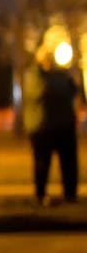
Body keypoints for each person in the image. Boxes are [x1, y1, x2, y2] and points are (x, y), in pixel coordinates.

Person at [24, 44, 84, 205]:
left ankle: (70, 194)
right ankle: (41, 194)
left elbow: (73, 91)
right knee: (42, 163)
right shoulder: (33, 74)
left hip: (64, 125)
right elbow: (43, 91)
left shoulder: (61, 75)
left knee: (69, 163)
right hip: (43, 127)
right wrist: (61, 86)